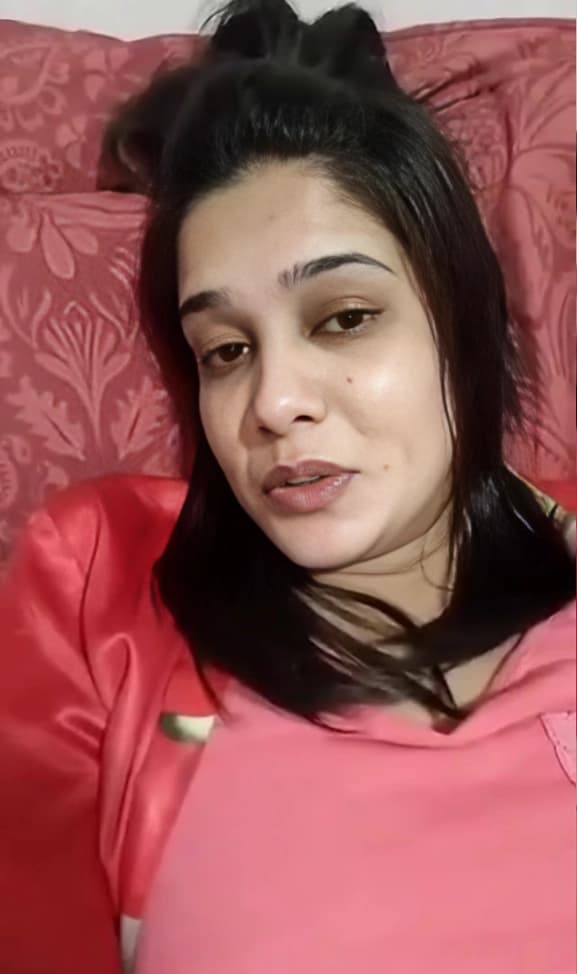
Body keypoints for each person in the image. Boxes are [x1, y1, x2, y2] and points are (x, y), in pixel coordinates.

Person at [1, 2, 575, 973]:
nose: (271, 402)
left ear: (463, 326)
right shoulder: (98, 580)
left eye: (343, 317)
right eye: (225, 350)